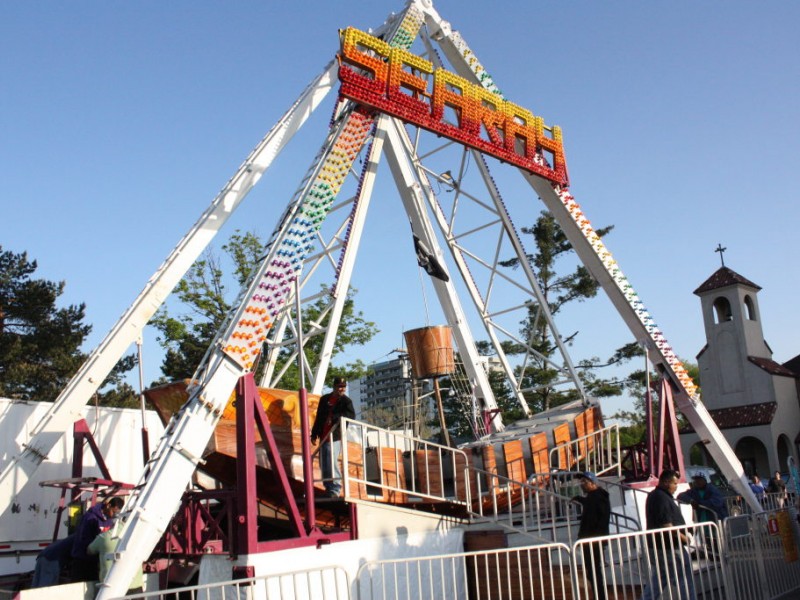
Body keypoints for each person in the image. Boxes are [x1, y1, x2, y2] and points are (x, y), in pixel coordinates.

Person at [640, 470, 696, 600]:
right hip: (669, 547)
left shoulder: (657, 496)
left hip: (661, 546)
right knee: (684, 578)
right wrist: (685, 538)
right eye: (675, 484)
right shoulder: (661, 498)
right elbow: (667, 525)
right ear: (666, 483)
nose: (676, 486)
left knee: (660, 579)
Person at [311, 376, 355, 497]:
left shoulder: (346, 401)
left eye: (343, 387)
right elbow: (319, 417)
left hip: (335, 436)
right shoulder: (325, 399)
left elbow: (350, 415)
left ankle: (335, 488)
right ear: (334, 387)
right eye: (339, 387)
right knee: (323, 462)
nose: (342, 389)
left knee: (331, 461)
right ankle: (328, 488)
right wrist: (314, 433)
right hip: (323, 436)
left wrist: (335, 418)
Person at [571, 472, 610, 600]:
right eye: (581, 482)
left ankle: (600, 596)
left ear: (593, 483)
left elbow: (602, 519)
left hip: (594, 540)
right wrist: (579, 498)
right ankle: (599, 595)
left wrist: (597, 538)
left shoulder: (599, 497)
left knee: (594, 571)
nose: (582, 485)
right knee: (592, 571)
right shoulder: (593, 496)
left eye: (584, 482)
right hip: (589, 540)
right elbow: (589, 506)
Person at [70, 497, 124, 582]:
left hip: (97, 561)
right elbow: (83, 539)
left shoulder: (110, 520)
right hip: (83, 559)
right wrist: (98, 545)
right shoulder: (90, 518)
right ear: (108, 506)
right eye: (113, 512)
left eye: (116, 514)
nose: (113, 515)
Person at [87, 521, 144, 594]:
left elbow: (89, 550)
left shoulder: (104, 537)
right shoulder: (137, 536)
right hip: (135, 585)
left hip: (111, 587)